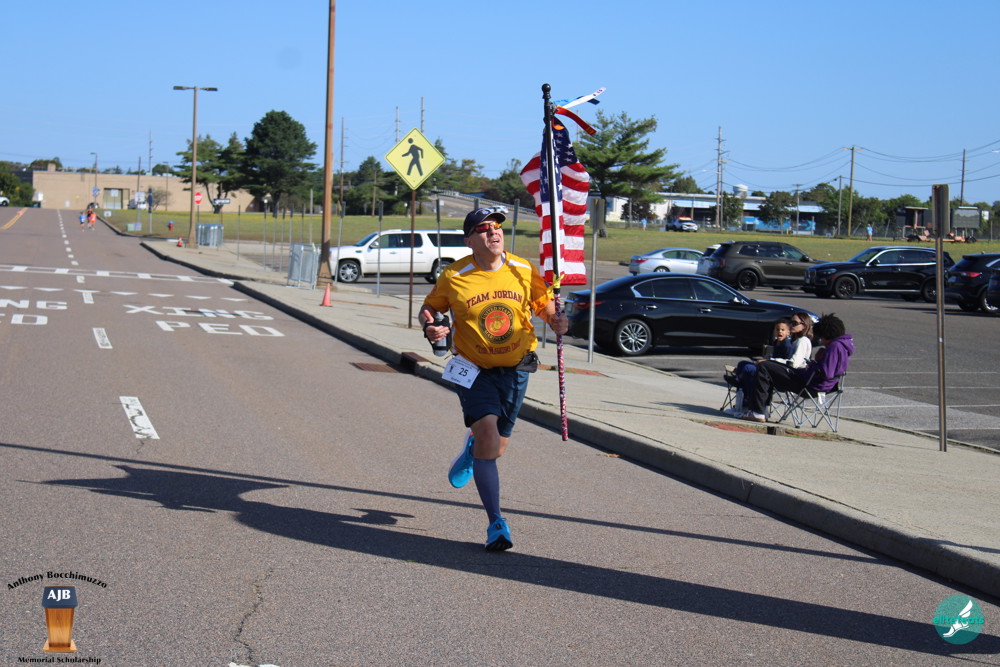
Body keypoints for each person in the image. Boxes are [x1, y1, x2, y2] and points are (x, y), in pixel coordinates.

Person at [420, 208, 568, 552]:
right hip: (472, 369)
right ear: (469, 240)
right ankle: (496, 523)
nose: (494, 232)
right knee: (488, 434)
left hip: (516, 368)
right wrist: (431, 327)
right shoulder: (455, 275)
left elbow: (544, 305)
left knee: (496, 447)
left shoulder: (522, 269)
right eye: (484, 228)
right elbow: (430, 308)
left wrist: (557, 320)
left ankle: (473, 449)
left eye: (498, 226)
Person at [743, 313, 853, 423]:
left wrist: (815, 364)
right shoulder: (842, 346)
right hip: (817, 383)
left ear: (827, 335)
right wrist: (816, 362)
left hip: (810, 384)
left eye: (821, 338)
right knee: (769, 369)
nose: (821, 341)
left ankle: (758, 412)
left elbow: (826, 372)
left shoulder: (834, 347)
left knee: (764, 366)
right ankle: (762, 411)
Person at [725, 318, 792, 415]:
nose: (779, 332)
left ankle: (740, 385)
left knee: (748, 369)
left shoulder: (786, 345)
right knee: (742, 364)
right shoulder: (776, 342)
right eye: (777, 329)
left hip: (774, 373)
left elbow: (785, 363)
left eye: (782, 330)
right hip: (768, 367)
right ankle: (741, 395)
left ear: (788, 332)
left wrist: (767, 361)